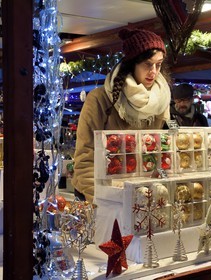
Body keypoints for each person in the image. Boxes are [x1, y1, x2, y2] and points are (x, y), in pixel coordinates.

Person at [72, 28, 171, 203]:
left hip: (140, 196)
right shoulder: (100, 99)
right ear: (132, 63)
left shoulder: (161, 101)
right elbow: (85, 158)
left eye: (159, 64)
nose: (154, 72)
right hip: (101, 195)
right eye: (148, 64)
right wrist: (103, 200)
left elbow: (160, 153)